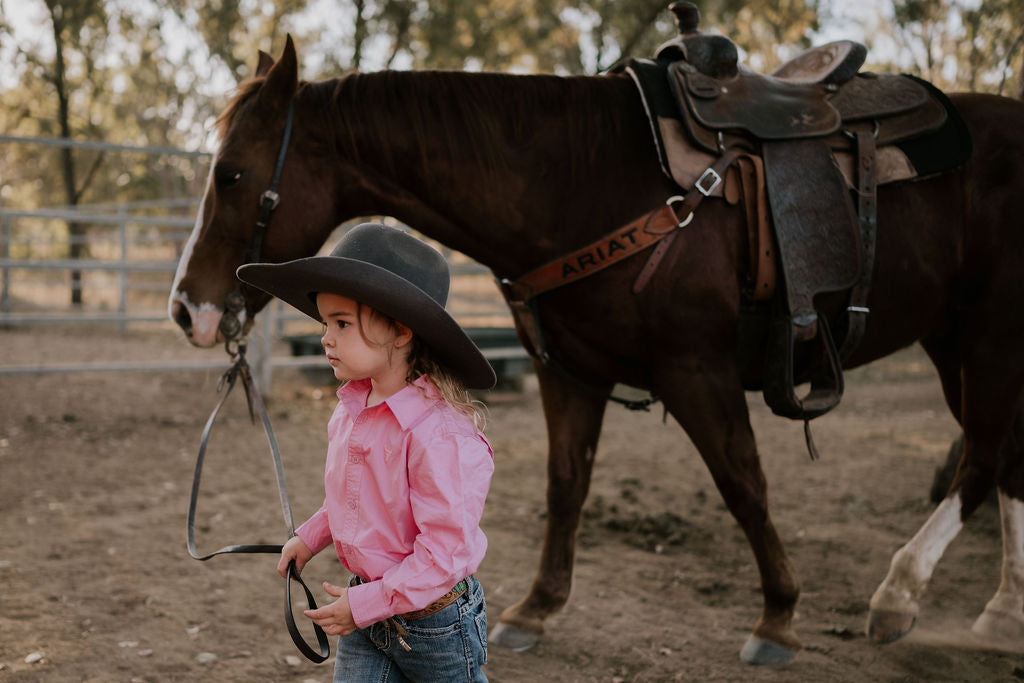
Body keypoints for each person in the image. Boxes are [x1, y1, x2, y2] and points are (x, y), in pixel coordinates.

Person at [236, 222, 496, 682]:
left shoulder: (439, 435)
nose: (325, 338)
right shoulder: (353, 408)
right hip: (366, 607)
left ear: (399, 331)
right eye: (324, 323)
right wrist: (312, 535)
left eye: (341, 324)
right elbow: (356, 499)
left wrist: (363, 607)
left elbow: (444, 552)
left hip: (435, 625)